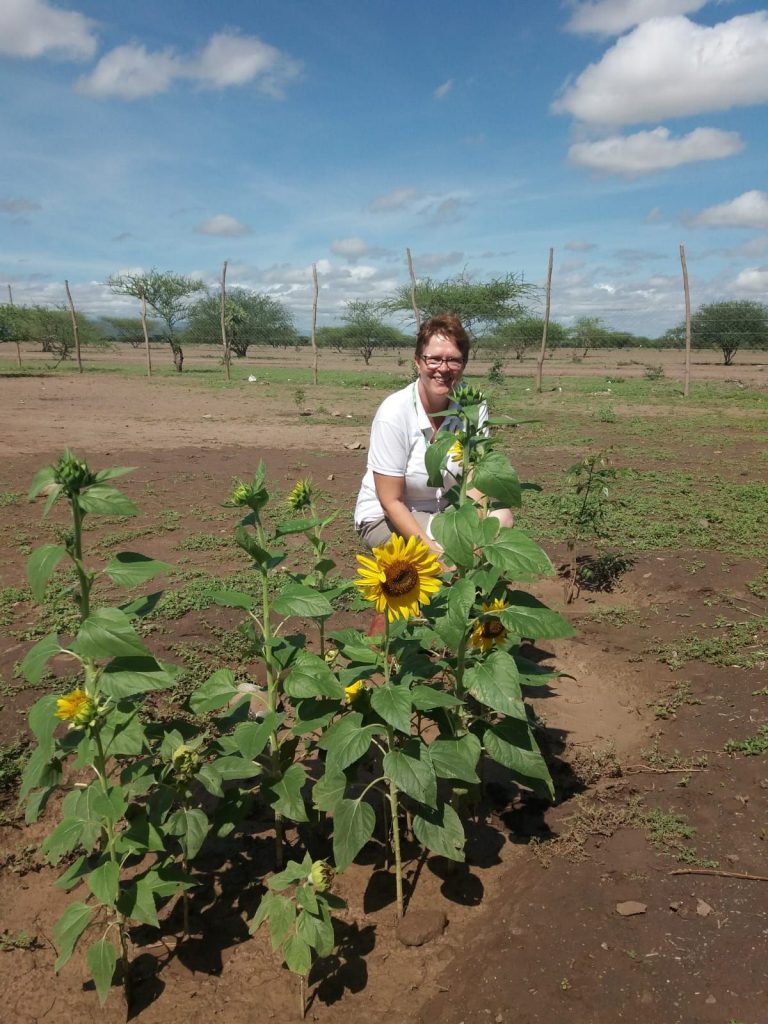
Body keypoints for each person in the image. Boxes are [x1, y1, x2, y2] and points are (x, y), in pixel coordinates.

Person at [354, 313, 513, 561]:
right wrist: (435, 556)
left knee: (500, 520)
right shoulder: (394, 412)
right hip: (389, 517)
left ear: (464, 364)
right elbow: (390, 501)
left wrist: (476, 534)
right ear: (418, 361)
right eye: (434, 359)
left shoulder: (472, 406)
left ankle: (478, 595)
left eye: (453, 360)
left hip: (445, 510)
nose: (443, 368)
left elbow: (475, 477)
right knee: (447, 555)